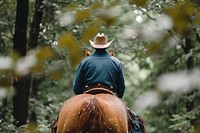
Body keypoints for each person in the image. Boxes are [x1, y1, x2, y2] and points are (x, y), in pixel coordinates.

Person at [73, 33, 125, 98]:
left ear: (94, 46)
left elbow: (77, 88)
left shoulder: (85, 62)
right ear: (106, 46)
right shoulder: (116, 62)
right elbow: (121, 89)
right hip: (110, 94)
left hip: (88, 93)